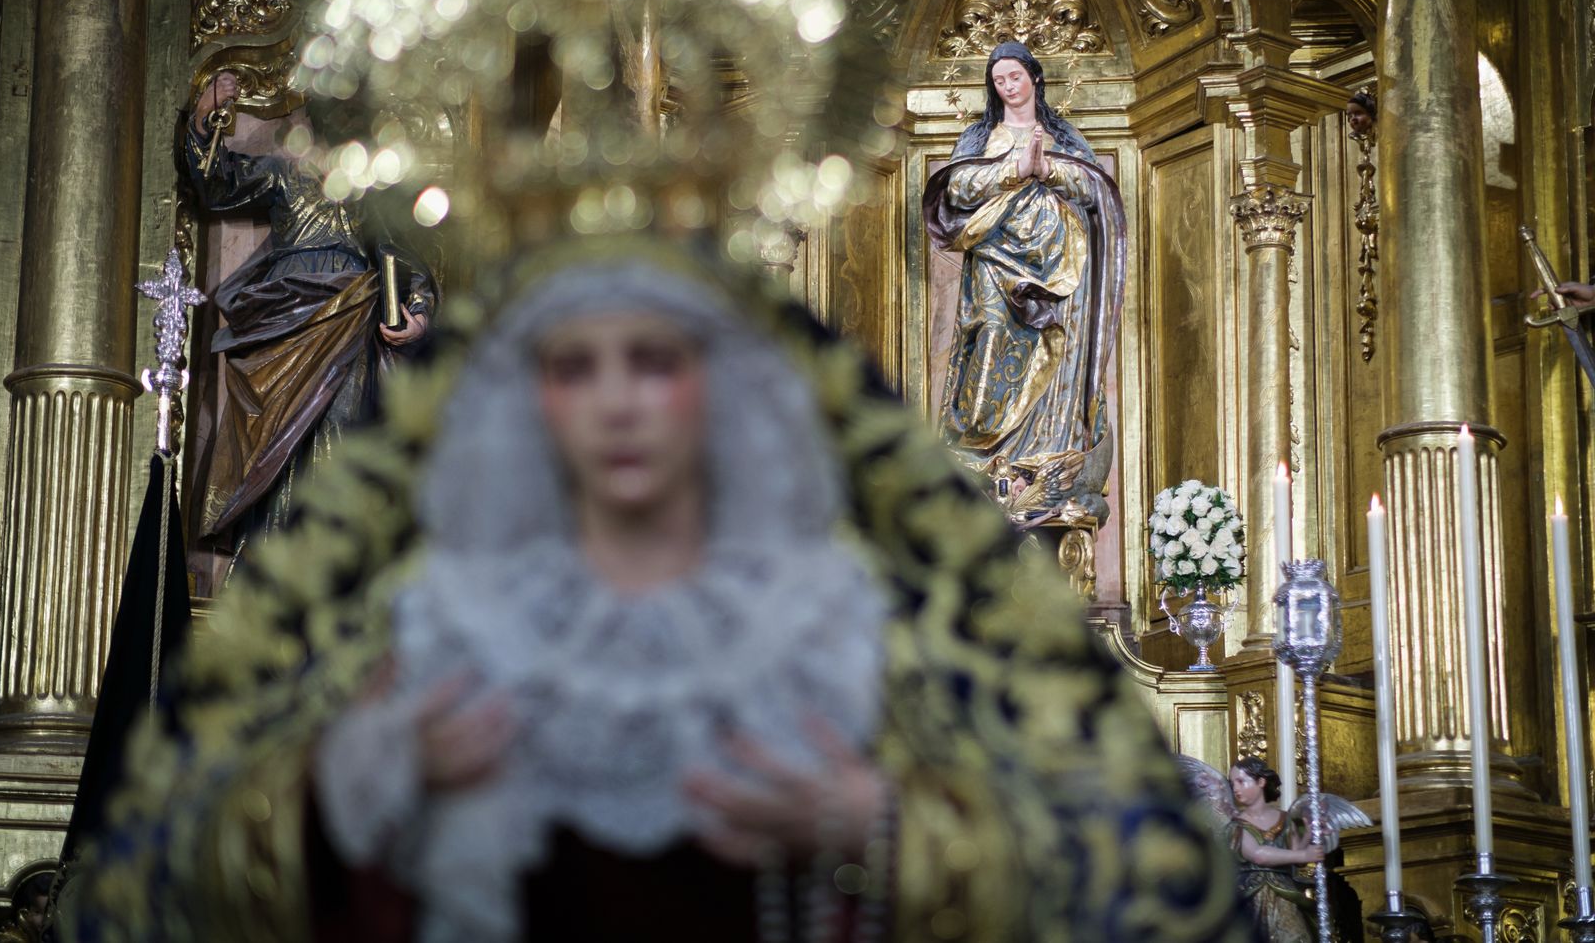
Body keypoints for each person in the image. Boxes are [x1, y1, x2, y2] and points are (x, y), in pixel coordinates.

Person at [72, 236, 1254, 943]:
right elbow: (198, 879)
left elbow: (1102, 873)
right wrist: (367, 783)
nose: (619, 401)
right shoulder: (435, 613)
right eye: (576, 366)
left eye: (654, 361)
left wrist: (883, 826)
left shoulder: (841, 618)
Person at [186, 71, 436, 573]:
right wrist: (202, 117)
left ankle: (332, 565)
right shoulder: (285, 173)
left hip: (348, 314)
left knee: (341, 429)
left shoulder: (372, 192)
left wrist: (419, 314)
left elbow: (403, 256)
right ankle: (270, 564)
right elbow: (218, 183)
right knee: (273, 440)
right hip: (286, 317)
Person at [922, 41, 1126, 519]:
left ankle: (1046, 456)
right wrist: (1013, 170)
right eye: (999, 81)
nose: (1008, 87)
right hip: (995, 261)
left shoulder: (1063, 136)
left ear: (1034, 77)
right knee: (990, 339)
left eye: (1014, 76)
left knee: (1057, 356)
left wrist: (1048, 168)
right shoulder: (980, 136)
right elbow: (957, 187)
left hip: (1060, 267)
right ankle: (984, 460)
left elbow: (1094, 189)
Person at [1227, 758, 1324, 943]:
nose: (1236, 788)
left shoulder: (1288, 819)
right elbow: (1258, 855)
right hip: (1250, 895)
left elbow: (1298, 860)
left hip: (1285, 895)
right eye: (1232, 784)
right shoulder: (1236, 826)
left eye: (1241, 781)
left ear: (1261, 782)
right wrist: (1303, 854)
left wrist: (1308, 833)